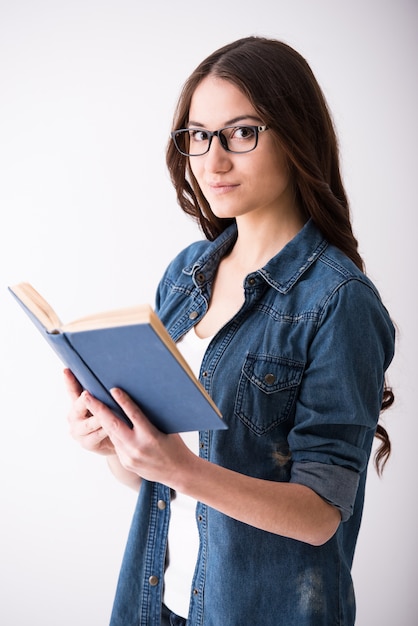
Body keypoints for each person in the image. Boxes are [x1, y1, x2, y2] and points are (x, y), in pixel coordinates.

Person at [65, 36, 395, 626]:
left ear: (296, 136)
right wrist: (116, 447)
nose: (213, 160)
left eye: (241, 133)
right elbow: (164, 478)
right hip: (157, 604)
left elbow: (321, 514)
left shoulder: (339, 302)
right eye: (197, 136)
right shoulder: (186, 275)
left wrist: (178, 469)